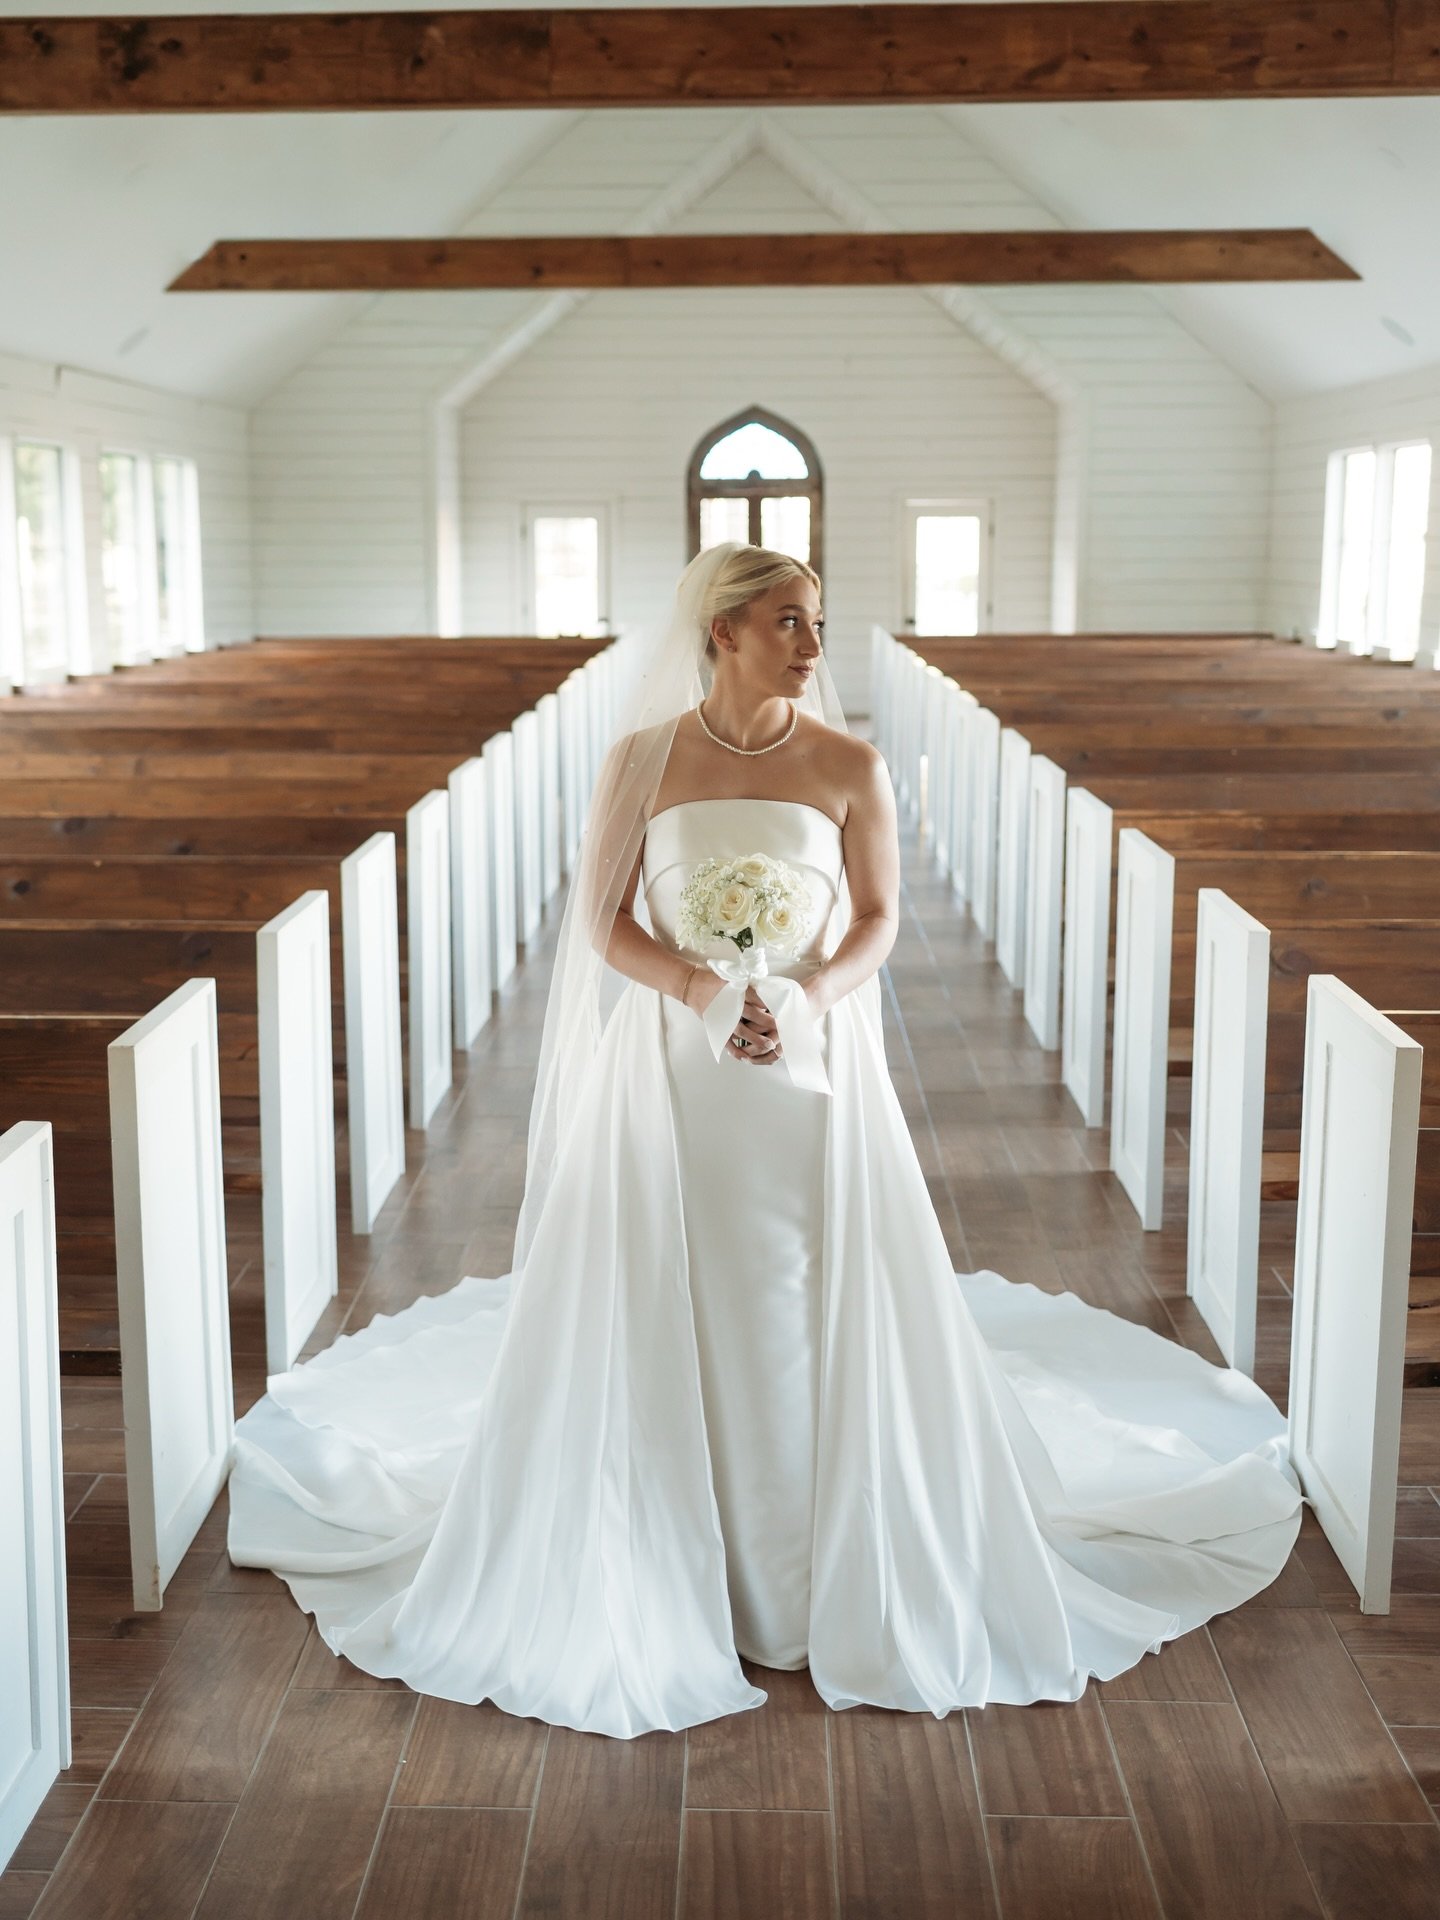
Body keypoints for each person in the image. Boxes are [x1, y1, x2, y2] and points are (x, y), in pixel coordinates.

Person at [227, 541, 1305, 1739]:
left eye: (817, 619)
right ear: (723, 630)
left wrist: (806, 998)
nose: (811, 640)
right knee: (672, 1279)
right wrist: (700, 991)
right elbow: (601, 922)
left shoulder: (850, 763)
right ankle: (667, 1553)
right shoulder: (643, 758)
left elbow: (883, 917)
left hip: (811, 1063)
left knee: (799, 1290)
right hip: (675, 1072)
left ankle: (808, 1561)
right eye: (788, 619)